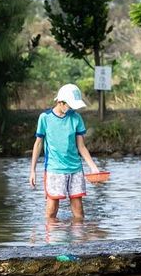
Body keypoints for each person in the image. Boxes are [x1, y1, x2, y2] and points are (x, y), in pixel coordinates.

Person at [28, 83, 101, 220]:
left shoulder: (76, 118)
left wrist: (93, 167)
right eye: (70, 105)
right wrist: (33, 170)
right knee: (51, 211)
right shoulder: (45, 118)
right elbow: (38, 144)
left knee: (79, 212)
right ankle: (52, 233)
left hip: (75, 169)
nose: (72, 108)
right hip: (54, 169)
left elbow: (81, 146)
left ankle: (78, 233)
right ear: (60, 102)